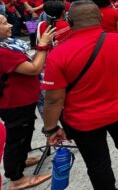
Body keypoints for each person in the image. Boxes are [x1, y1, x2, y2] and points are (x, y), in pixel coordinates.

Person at [41, 0, 118, 190]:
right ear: (100, 18)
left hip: (83, 121)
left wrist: (50, 128)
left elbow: (54, 99)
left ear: (69, 22)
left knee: (97, 162)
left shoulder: (59, 54)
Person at [0, 14, 54, 189]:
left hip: (23, 98)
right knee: (17, 139)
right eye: (4, 23)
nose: (10, 25)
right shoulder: (2, 52)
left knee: (24, 133)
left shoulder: (8, 45)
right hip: (15, 102)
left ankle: (21, 160)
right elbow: (34, 68)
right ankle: (16, 178)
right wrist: (43, 45)